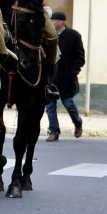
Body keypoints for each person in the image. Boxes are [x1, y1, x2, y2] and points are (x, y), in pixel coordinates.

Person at [44, 12, 84, 141]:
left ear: (61, 22)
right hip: (51, 78)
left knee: (69, 104)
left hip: (67, 78)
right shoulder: (48, 35)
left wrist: (73, 73)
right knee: (50, 106)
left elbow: (80, 57)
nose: (51, 23)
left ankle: (78, 123)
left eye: (53, 20)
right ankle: (54, 132)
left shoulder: (73, 36)